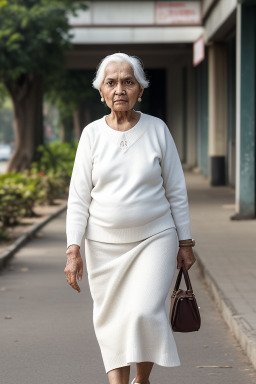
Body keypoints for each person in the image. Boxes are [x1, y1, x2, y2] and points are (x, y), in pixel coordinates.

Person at [64, 52, 196, 384]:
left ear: (139, 89)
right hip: (103, 245)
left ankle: (142, 378)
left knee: (143, 312)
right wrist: (73, 249)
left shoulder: (157, 129)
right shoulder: (92, 135)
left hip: (155, 238)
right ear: (101, 91)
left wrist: (185, 242)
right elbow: (79, 198)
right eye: (112, 82)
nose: (120, 89)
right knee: (111, 319)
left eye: (128, 81)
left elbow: (176, 190)